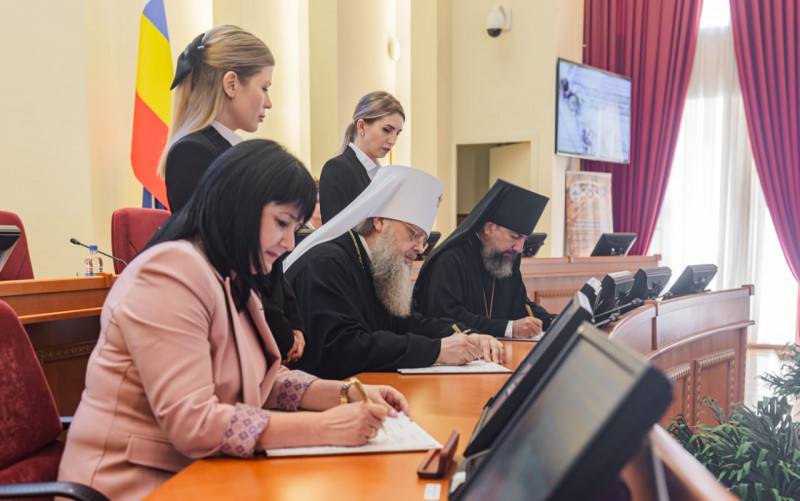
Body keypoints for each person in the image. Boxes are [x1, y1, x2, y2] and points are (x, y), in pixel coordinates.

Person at [58, 140, 409, 500]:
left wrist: (347, 395)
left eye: (295, 228)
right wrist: (323, 427)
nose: (289, 243)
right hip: (134, 484)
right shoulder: (169, 273)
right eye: (282, 223)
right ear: (240, 206)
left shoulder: (231, 275)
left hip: (201, 473)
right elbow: (193, 423)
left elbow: (264, 381)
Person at [158, 25, 304, 362]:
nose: (269, 101)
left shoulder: (236, 154)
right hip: (232, 329)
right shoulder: (194, 154)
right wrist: (278, 330)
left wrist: (294, 321)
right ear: (232, 84)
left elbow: (271, 254)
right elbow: (230, 258)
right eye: (264, 87)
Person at [284, 166, 504, 380]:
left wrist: (467, 336)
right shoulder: (326, 263)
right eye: (414, 234)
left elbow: (410, 323)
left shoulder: (379, 263)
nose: (420, 248)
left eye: (424, 240)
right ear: (379, 221)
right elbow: (342, 348)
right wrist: (436, 350)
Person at [414, 180, 556, 339]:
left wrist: (553, 321)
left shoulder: (506, 257)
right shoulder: (449, 259)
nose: (519, 248)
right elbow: (446, 318)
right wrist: (507, 328)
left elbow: (521, 306)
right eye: (514, 237)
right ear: (489, 228)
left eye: (524, 239)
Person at [318, 91, 405, 223]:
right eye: (387, 130)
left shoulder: (383, 175)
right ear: (362, 126)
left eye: (397, 133)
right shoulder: (337, 169)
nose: (393, 141)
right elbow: (336, 231)